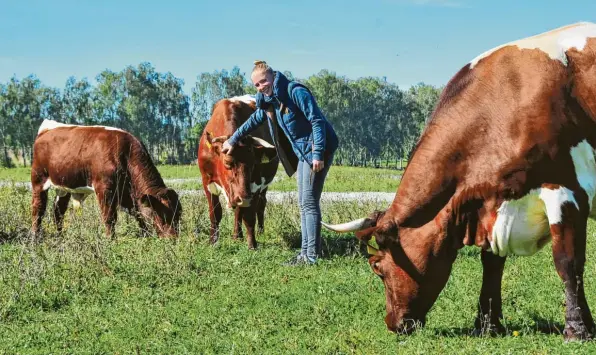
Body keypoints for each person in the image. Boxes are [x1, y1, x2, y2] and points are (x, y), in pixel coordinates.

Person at [222, 60, 339, 265]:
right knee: (304, 202)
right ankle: (305, 253)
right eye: (256, 85)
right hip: (304, 152)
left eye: (263, 81)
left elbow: (317, 121)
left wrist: (318, 153)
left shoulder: (294, 91)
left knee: (309, 202)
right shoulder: (269, 101)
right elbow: (254, 120)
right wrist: (232, 140)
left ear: (273, 76)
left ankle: (312, 256)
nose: (261, 87)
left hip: (317, 150)